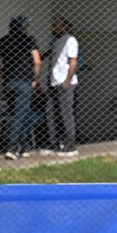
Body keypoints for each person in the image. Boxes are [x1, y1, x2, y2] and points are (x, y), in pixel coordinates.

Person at [0, 16, 41, 160]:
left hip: (9, 83)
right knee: (20, 115)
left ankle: (24, 146)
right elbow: (37, 61)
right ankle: (12, 148)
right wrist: (35, 79)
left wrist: (3, 75)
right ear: (23, 27)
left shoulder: (3, 40)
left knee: (19, 113)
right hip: (24, 82)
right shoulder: (28, 40)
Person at [45, 16, 80, 157]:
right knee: (51, 112)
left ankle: (70, 146)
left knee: (66, 113)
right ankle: (54, 143)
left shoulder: (70, 40)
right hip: (54, 81)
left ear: (65, 26)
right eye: (53, 25)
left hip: (64, 82)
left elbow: (73, 61)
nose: (54, 28)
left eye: (57, 25)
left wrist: (67, 79)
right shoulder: (57, 41)